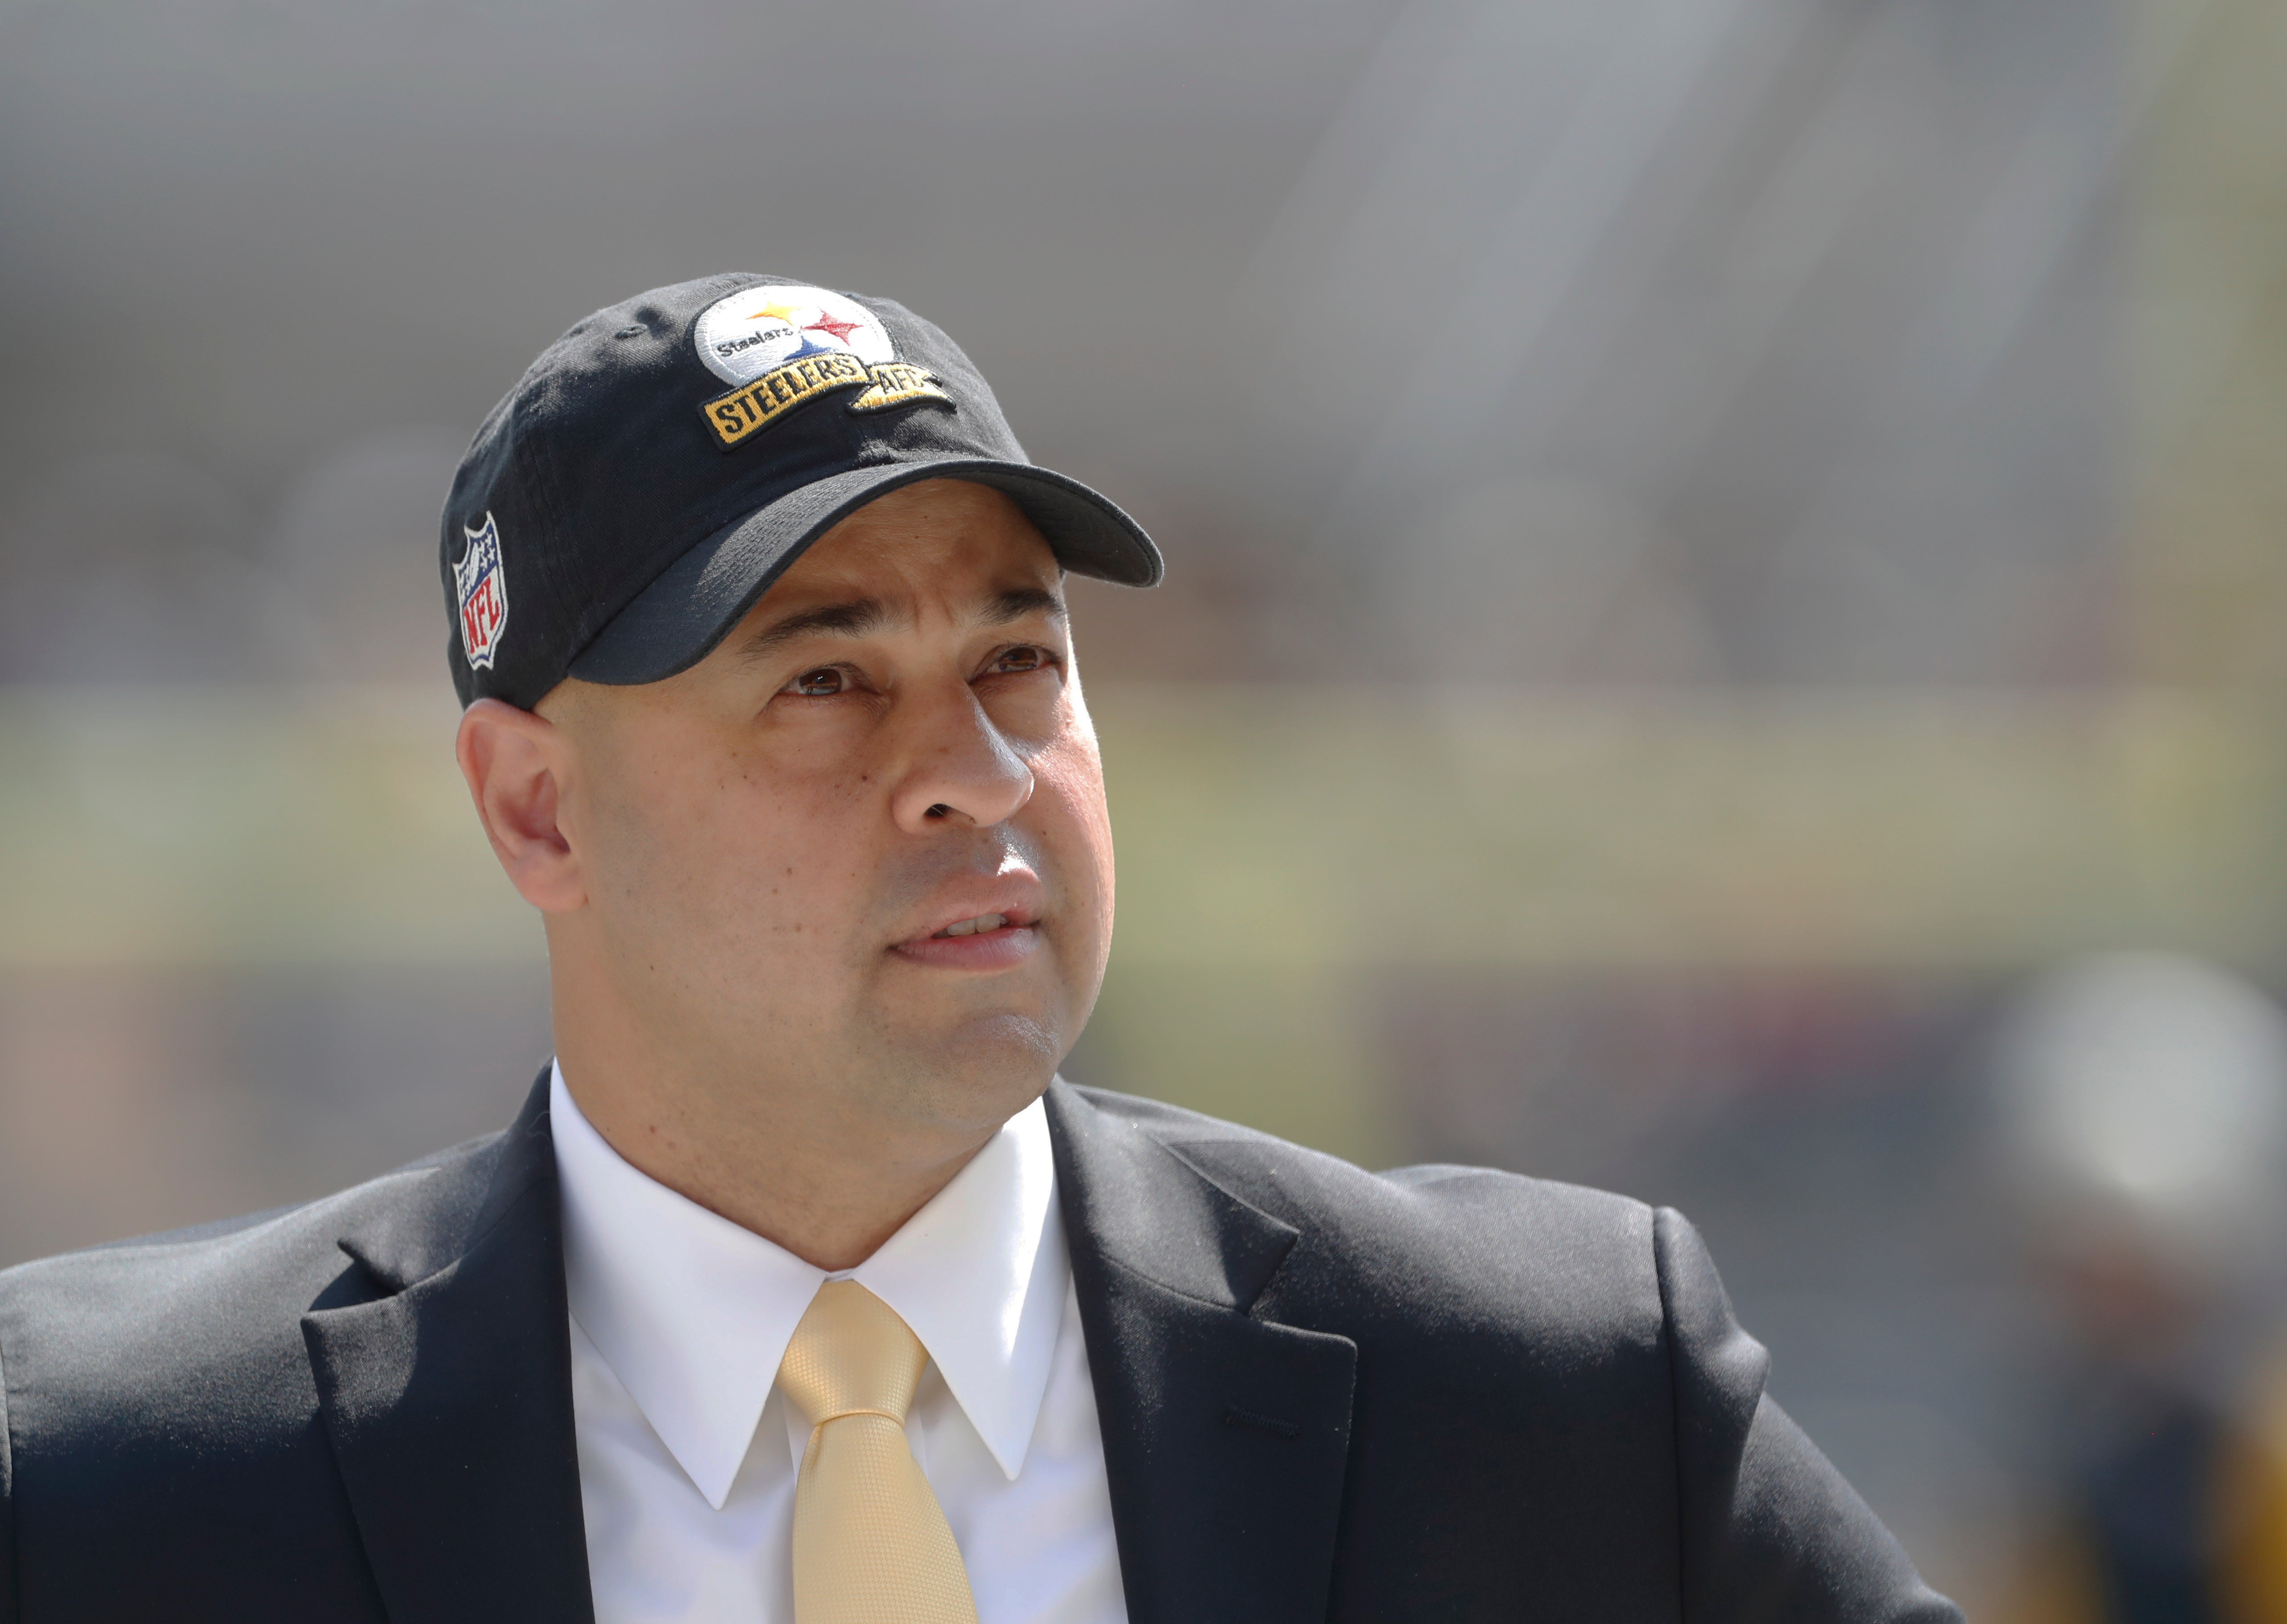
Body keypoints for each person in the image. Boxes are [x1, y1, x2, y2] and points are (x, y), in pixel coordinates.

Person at [0, 273, 1960, 1623]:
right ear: (535, 809)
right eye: (830, 680)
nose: (974, 772)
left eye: (1020, 659)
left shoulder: (1548, 1399)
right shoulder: (103, 1484)